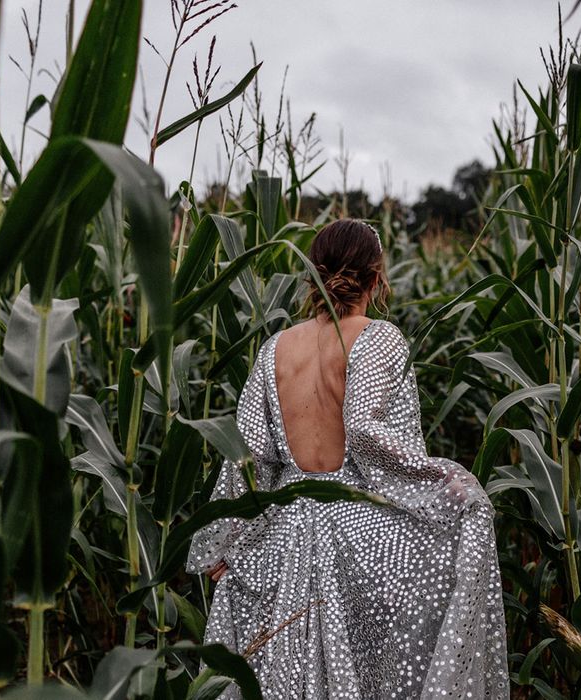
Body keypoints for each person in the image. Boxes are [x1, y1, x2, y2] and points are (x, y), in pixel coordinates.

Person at [186, 219, 510, 699]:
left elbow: (251, 455)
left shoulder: (275, 348)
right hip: (358, 539)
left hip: (284, 533)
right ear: (377, 277)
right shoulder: (379, 337)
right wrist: (444, 486)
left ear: (310, 276)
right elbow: (364, 432)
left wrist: (227, 539)